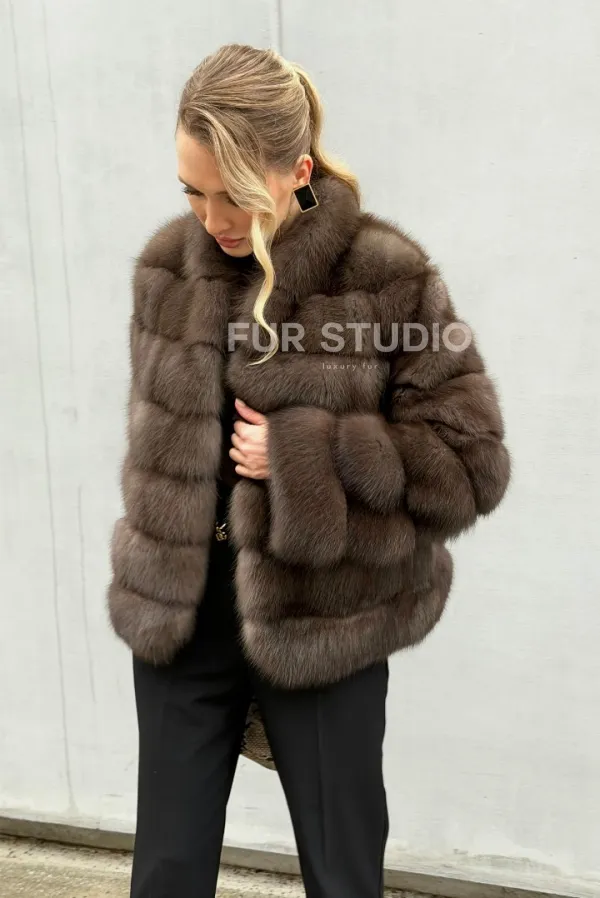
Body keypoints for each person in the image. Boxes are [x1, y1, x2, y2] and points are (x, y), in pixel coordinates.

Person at [107, 43, 510, 898]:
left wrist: (306, 453)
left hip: (325, 618)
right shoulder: (164, 272)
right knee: (166, 872)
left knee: (342, 873)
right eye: (192, 191)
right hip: (183, 613)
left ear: (296, 172)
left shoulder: (387, 279)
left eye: (234, 195)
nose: (211, 218)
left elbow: (471, 461)